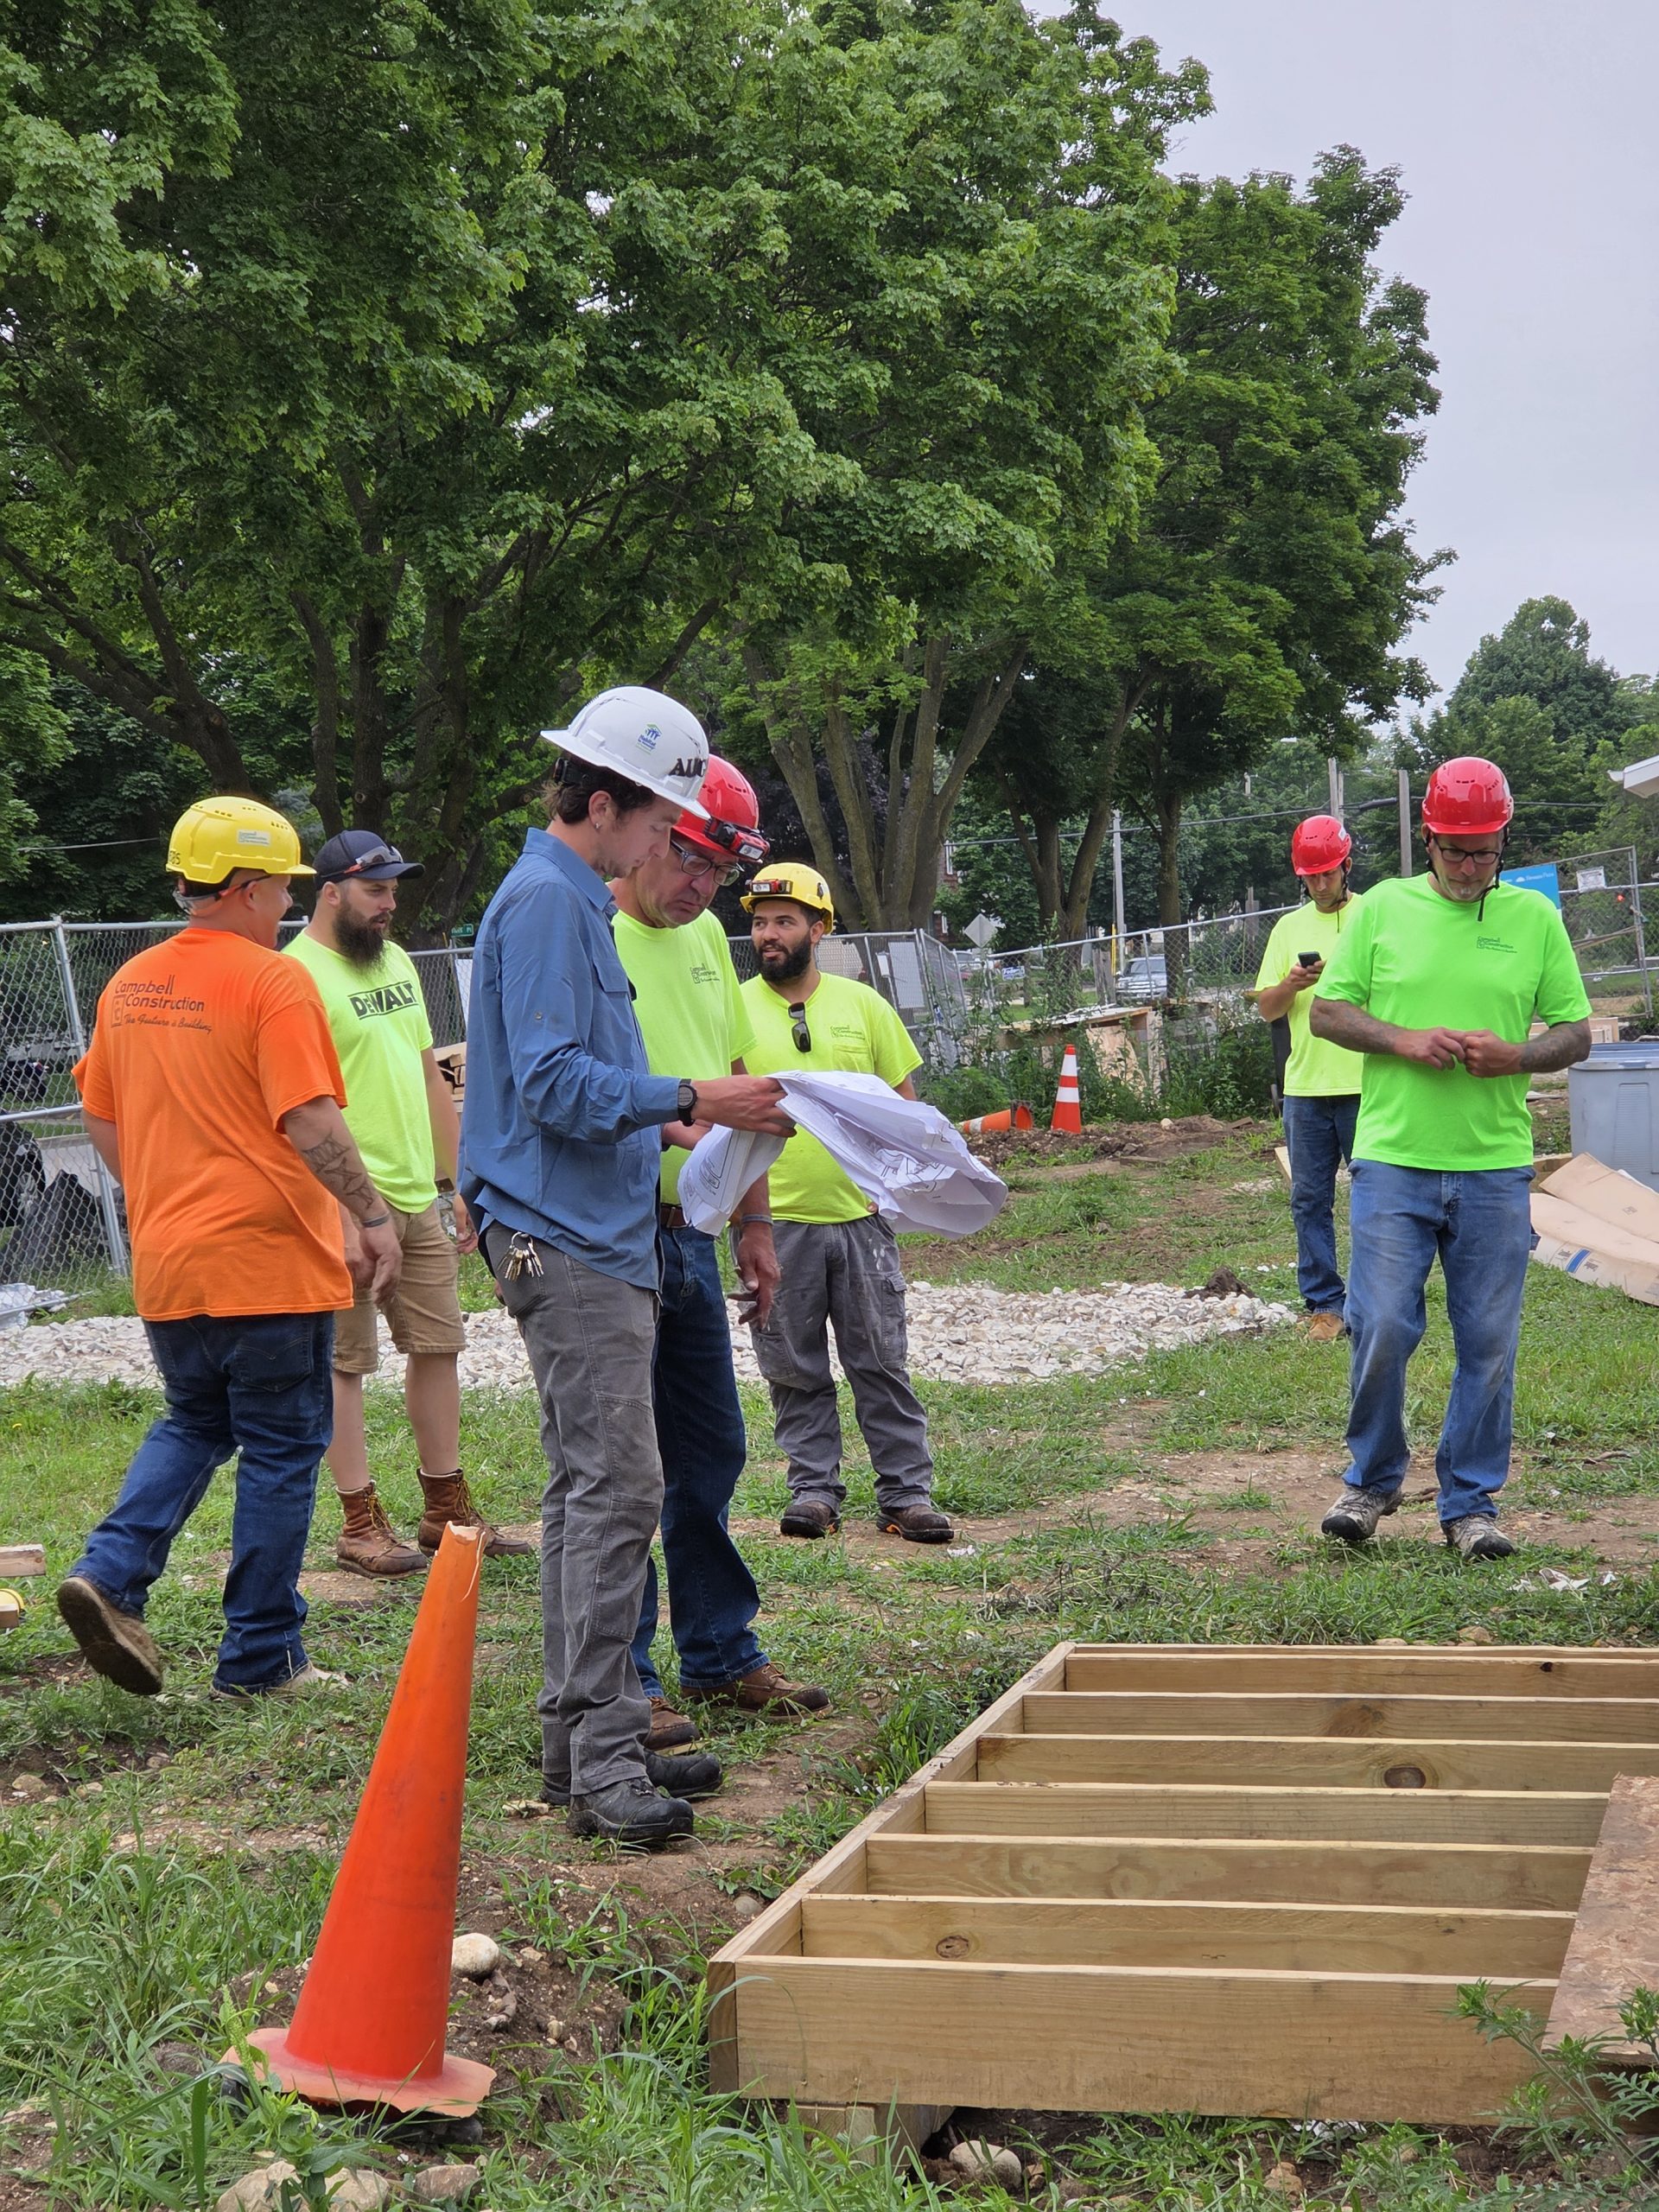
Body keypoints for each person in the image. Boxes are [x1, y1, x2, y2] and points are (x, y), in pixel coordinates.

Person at [459, 687, 793, 1848]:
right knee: (616, 1491)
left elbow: (560, 1079)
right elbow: (553, 1085)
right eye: (662, 820)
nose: (667, 844)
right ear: (605, 804)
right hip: (570, 1239)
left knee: (589, 1491)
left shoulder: (561, 901)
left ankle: (578, 1744)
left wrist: (672, 1120)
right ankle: (605, 1761)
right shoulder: (552, 904)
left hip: (581, 1229)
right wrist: (695, 1096)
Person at [56, 798, 402, 1698]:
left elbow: (98, 1111)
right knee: (282, 1450)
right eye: (282, 888)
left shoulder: (130, 983)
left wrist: (162, 1189)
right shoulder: (272, 981)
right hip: (267, 1263)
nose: (287, 904)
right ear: (247, 887)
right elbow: (309, 1115)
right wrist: (371, 1214)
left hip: (170, 1259)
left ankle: (110, 1576)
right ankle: (261, 1657)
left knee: (196, 1421)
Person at [1309, 756, 1592, 1560]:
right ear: (1428, 839)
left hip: (1493, 1163)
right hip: (1394, 1157)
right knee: (1381, 1322)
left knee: (1489, 1340)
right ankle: (1371, 1480)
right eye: (1456, 852)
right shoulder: (1382, 909)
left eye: (1485, 853)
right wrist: (1400, 1038)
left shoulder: (1534, 918)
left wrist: (1519, 1056)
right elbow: (1328, 1013)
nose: (1470, 868)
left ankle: (1469, 1504)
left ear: (1503, 843)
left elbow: (1575, 1031)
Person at [610, 760, 830, 1745]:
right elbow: (578, 1087)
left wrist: (755, 1222)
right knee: (623, 1466)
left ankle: (718, 1651)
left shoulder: (702, 938)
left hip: (690, 1235)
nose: (703, 887)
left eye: (720, 871)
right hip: (609, 1236)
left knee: (709, 1448)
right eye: (690, 859)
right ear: (646, 831)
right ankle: (627, 1677)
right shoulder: (590, 935)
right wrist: (676, 1121)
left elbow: (741, 1088)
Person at [287, 830, 531, 1576]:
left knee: (438, 1345)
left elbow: (430, 1077)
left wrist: (457, 1184)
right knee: (346, 1361)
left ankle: (444, 1509)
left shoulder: (394, 961)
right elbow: (299, 1110)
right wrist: (339, 1213)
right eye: (375, 890)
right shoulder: (294, 975)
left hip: (414, 1194)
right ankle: (358, 1522)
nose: (389, 903)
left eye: (394, 889)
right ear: (331, 892)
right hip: (341, 1198)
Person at [739, 865, 954, 1545]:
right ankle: (814, 1492)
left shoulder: (865, 1008)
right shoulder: (731, 1011)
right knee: (792, 1368)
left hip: (862, 1222)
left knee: (881, 1362)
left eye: (784, 921)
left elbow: (905, 1114)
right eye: (759, 922)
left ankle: (907, 1494)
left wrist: (896, 1191)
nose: (768, 935)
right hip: (774, 1223)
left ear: (818, 930)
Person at [1253, 816, 1366, 1342]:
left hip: (1368, 1083)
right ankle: (1325, 1305)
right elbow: (1267, 1009)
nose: (1320, 884)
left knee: (1376, 1198)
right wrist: (1291, 984)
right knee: (1309, 1200)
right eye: (1311, 876)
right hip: (1305, 1089)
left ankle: (1371, 1301)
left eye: (1328, 873)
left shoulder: (1372, 917)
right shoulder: (1288, 929)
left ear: (1347, 866)